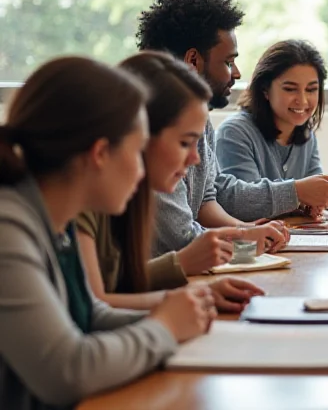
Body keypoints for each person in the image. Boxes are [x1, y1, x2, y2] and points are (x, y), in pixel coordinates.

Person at [0, 57, 213, 408]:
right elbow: (67, 371)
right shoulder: (9, 228)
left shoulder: (55, 218)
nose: (140, 168)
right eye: (136, 150)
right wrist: (164, 328)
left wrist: (181, 318)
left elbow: (90, 315)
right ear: (100, 153)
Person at [136, 0, 328, 254]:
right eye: (228, 61)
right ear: (193, 60)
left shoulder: (201, 121)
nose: (236, 73)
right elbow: (180, 236)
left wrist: (249, 232)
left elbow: (208, 199)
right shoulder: (153, 127)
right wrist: (245, 238)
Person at [77, 52, 272, 312]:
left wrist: (197, 292)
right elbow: (93, 306)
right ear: (141, 136)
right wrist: (182, 278)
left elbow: (116, 283)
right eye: (184, 143)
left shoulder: (129, 197)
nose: (194, 160)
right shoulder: (83, 200)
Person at [216, 40, 328, 218]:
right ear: (265, 90)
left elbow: (314, 195)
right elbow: (240, 205)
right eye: (290, 89)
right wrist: (298, 193)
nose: (303, 101)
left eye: (311, 89)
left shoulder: (306, 135)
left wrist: (326, 199)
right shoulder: (234, 133)